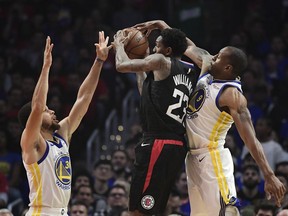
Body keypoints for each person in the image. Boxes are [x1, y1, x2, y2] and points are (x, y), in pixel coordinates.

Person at [134, 20, 286, 216]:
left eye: (219, 57)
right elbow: (188, 46)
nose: (213, 57)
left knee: (227, 212)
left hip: (213, 158)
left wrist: (269, 174)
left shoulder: (232, 95)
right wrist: (161, 25)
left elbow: (250, 139)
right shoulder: (208, 69)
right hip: (192, 158)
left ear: (228, 68)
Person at [17, 32, 111, 216]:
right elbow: (37, 106)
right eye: (47, 110)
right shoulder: (32, 143)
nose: (52, 111)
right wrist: (46, 67)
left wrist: (99, 62)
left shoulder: (61, 136)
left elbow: (84, 98)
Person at [113, 23, 199, 215]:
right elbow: (147, 93)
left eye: (157, 44)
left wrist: (119, 44)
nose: (153, 48)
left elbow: (121, 65)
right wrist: (142, 62)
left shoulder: (161, 60)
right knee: (152, 208)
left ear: (167, 50)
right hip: (175, 144)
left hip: (158, 143)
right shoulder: (190, 68)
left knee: (138, 210)